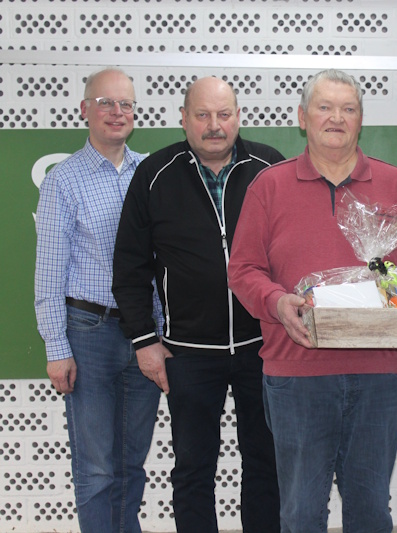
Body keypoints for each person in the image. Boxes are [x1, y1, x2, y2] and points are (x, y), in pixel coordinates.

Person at [227, 69, 397, 533]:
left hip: (378, 376)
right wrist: (278, 302)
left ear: (361, 120)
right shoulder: (269, 185)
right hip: (296, 375)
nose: (336, 118)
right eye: (325, 107)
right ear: (302, 117)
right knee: (301, 513)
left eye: (348, 109)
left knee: (370, 511)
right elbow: (243, 270)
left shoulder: (395, 184)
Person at [112, 76, 284, 533]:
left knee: (266, 462)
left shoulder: (269, 167)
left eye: (223, 114)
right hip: (187, 353)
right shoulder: (155, 174)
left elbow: (293, 254)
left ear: (238, 117)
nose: (214, 125)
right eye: (202, 115)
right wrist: (144, 340)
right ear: (184, 119)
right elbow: (129, 265)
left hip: (263, 346)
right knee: (192, 469)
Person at [34, 67, 160, 532]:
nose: (117, 112)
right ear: (85, 109)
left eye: (125, 104)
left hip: (146, 333)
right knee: (97, 468)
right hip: (89, 333)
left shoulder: (152, 174)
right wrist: (56, 348)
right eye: (106, 103)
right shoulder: (63, 181)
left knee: (131, 462)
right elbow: (49, 271)